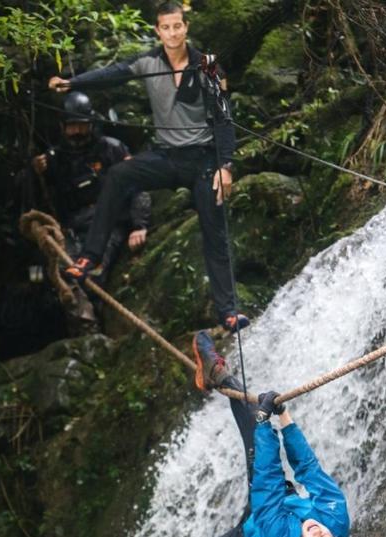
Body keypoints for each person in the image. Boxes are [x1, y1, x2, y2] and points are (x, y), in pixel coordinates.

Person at [67, 331, 350, 537]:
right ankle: (216, 372)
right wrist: (284, 418)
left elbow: (267, 479)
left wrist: (264, 423)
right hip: (279, 501)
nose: (320, 535)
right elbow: (309, 471)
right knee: (247, 402)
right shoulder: (336, 518)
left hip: (250, 536)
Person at [47, 1, 249, 334]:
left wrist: (225, 166)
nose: (172, 32)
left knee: (215, 230)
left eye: (177, 26)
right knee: (118, 174)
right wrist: (73, 84)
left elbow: (224, 120)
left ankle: (227, 311)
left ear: (186, 27)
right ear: (158, 30)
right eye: (165, 27)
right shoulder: (148, 62)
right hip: (166, 158)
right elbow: (111, 75)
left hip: (202, 161)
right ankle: (90, 256)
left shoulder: (208, 65)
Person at [31, 90, 151, 289]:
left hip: (108, 223)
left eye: (82, 125)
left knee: (91, 275)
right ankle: (82, 316)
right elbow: (39, 200)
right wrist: (35, 173)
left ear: (91, 124)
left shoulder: (111, 149)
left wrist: (140, 226)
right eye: (72, 126)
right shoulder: (54, 158)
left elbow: (138, 186)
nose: (77, 131)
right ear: (63, 127)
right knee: (61, 274)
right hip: (74, 227)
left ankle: (92, 314)